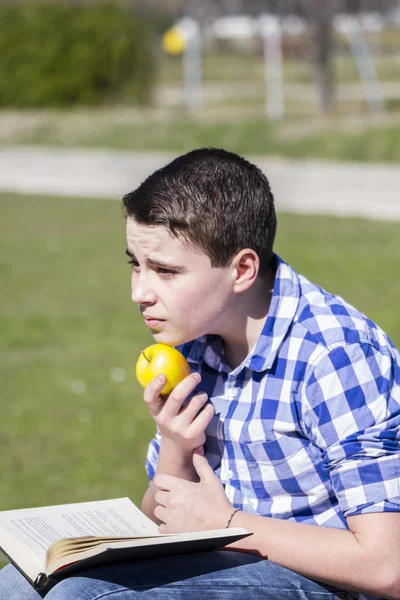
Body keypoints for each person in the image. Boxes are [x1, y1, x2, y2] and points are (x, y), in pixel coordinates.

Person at [1, 148, 399, 600]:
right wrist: (176, 446)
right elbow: (157, 522)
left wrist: (228, 523)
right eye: (135, 263)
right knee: (15, 585)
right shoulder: (192, 342)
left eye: (165, 271)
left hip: (329, 584)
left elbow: (387, 566)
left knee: (84, 597)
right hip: (231, 559)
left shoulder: (336, 356)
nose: (139, 292)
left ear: (242, 270)